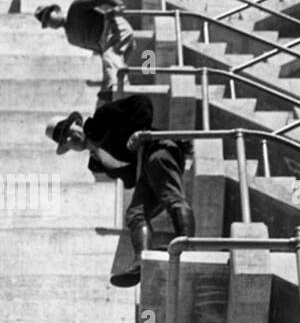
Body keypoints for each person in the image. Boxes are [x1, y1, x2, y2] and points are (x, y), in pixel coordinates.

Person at [45, 94, 193, 287]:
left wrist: (139, 133)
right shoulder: (98, 162)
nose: (70, 138)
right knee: (134, 214)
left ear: (77, 123)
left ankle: (189, 246)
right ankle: (142, 261)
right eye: (65, 141)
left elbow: (143, 102)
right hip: (144, 170)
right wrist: (109, 162)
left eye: (68, 131)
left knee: (170, 195)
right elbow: (130, 179)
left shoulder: (102, 117)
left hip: (158, 149)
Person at [34, 0, 135, 103]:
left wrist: (119, 5)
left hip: (115, 29)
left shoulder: (75, 8)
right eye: (47, 23)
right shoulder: (71, 38)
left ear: (56, 10)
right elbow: (100, 49)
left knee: (112, 69)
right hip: (109, 46)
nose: (50, 23)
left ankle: (124, 94)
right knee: (105, 90)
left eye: (49, 17)